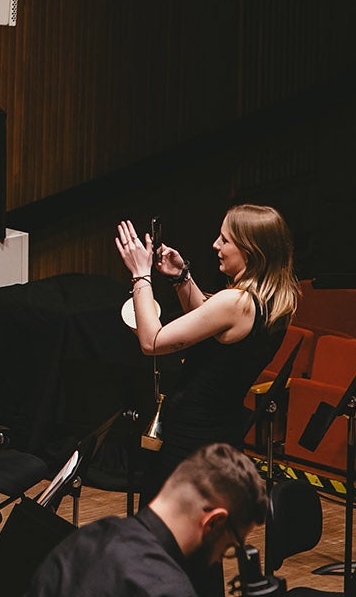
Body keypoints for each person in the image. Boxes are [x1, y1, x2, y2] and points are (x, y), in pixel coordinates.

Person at [115, 204, 296, 597]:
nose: (216, 245)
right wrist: (182, 279)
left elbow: (153, 341)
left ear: (251, 251)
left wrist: (141, 276)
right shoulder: (270, 300)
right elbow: (211, 324)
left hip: (187, 444)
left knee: (165, 543)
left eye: (225, 240)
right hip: (217, 436)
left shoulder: (237, 302)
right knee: (198, 551)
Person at [26, 442, 267, 597]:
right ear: (213, 522)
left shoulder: (84, 538)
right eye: (227, 547)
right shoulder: (168, 589)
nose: (218, 559)